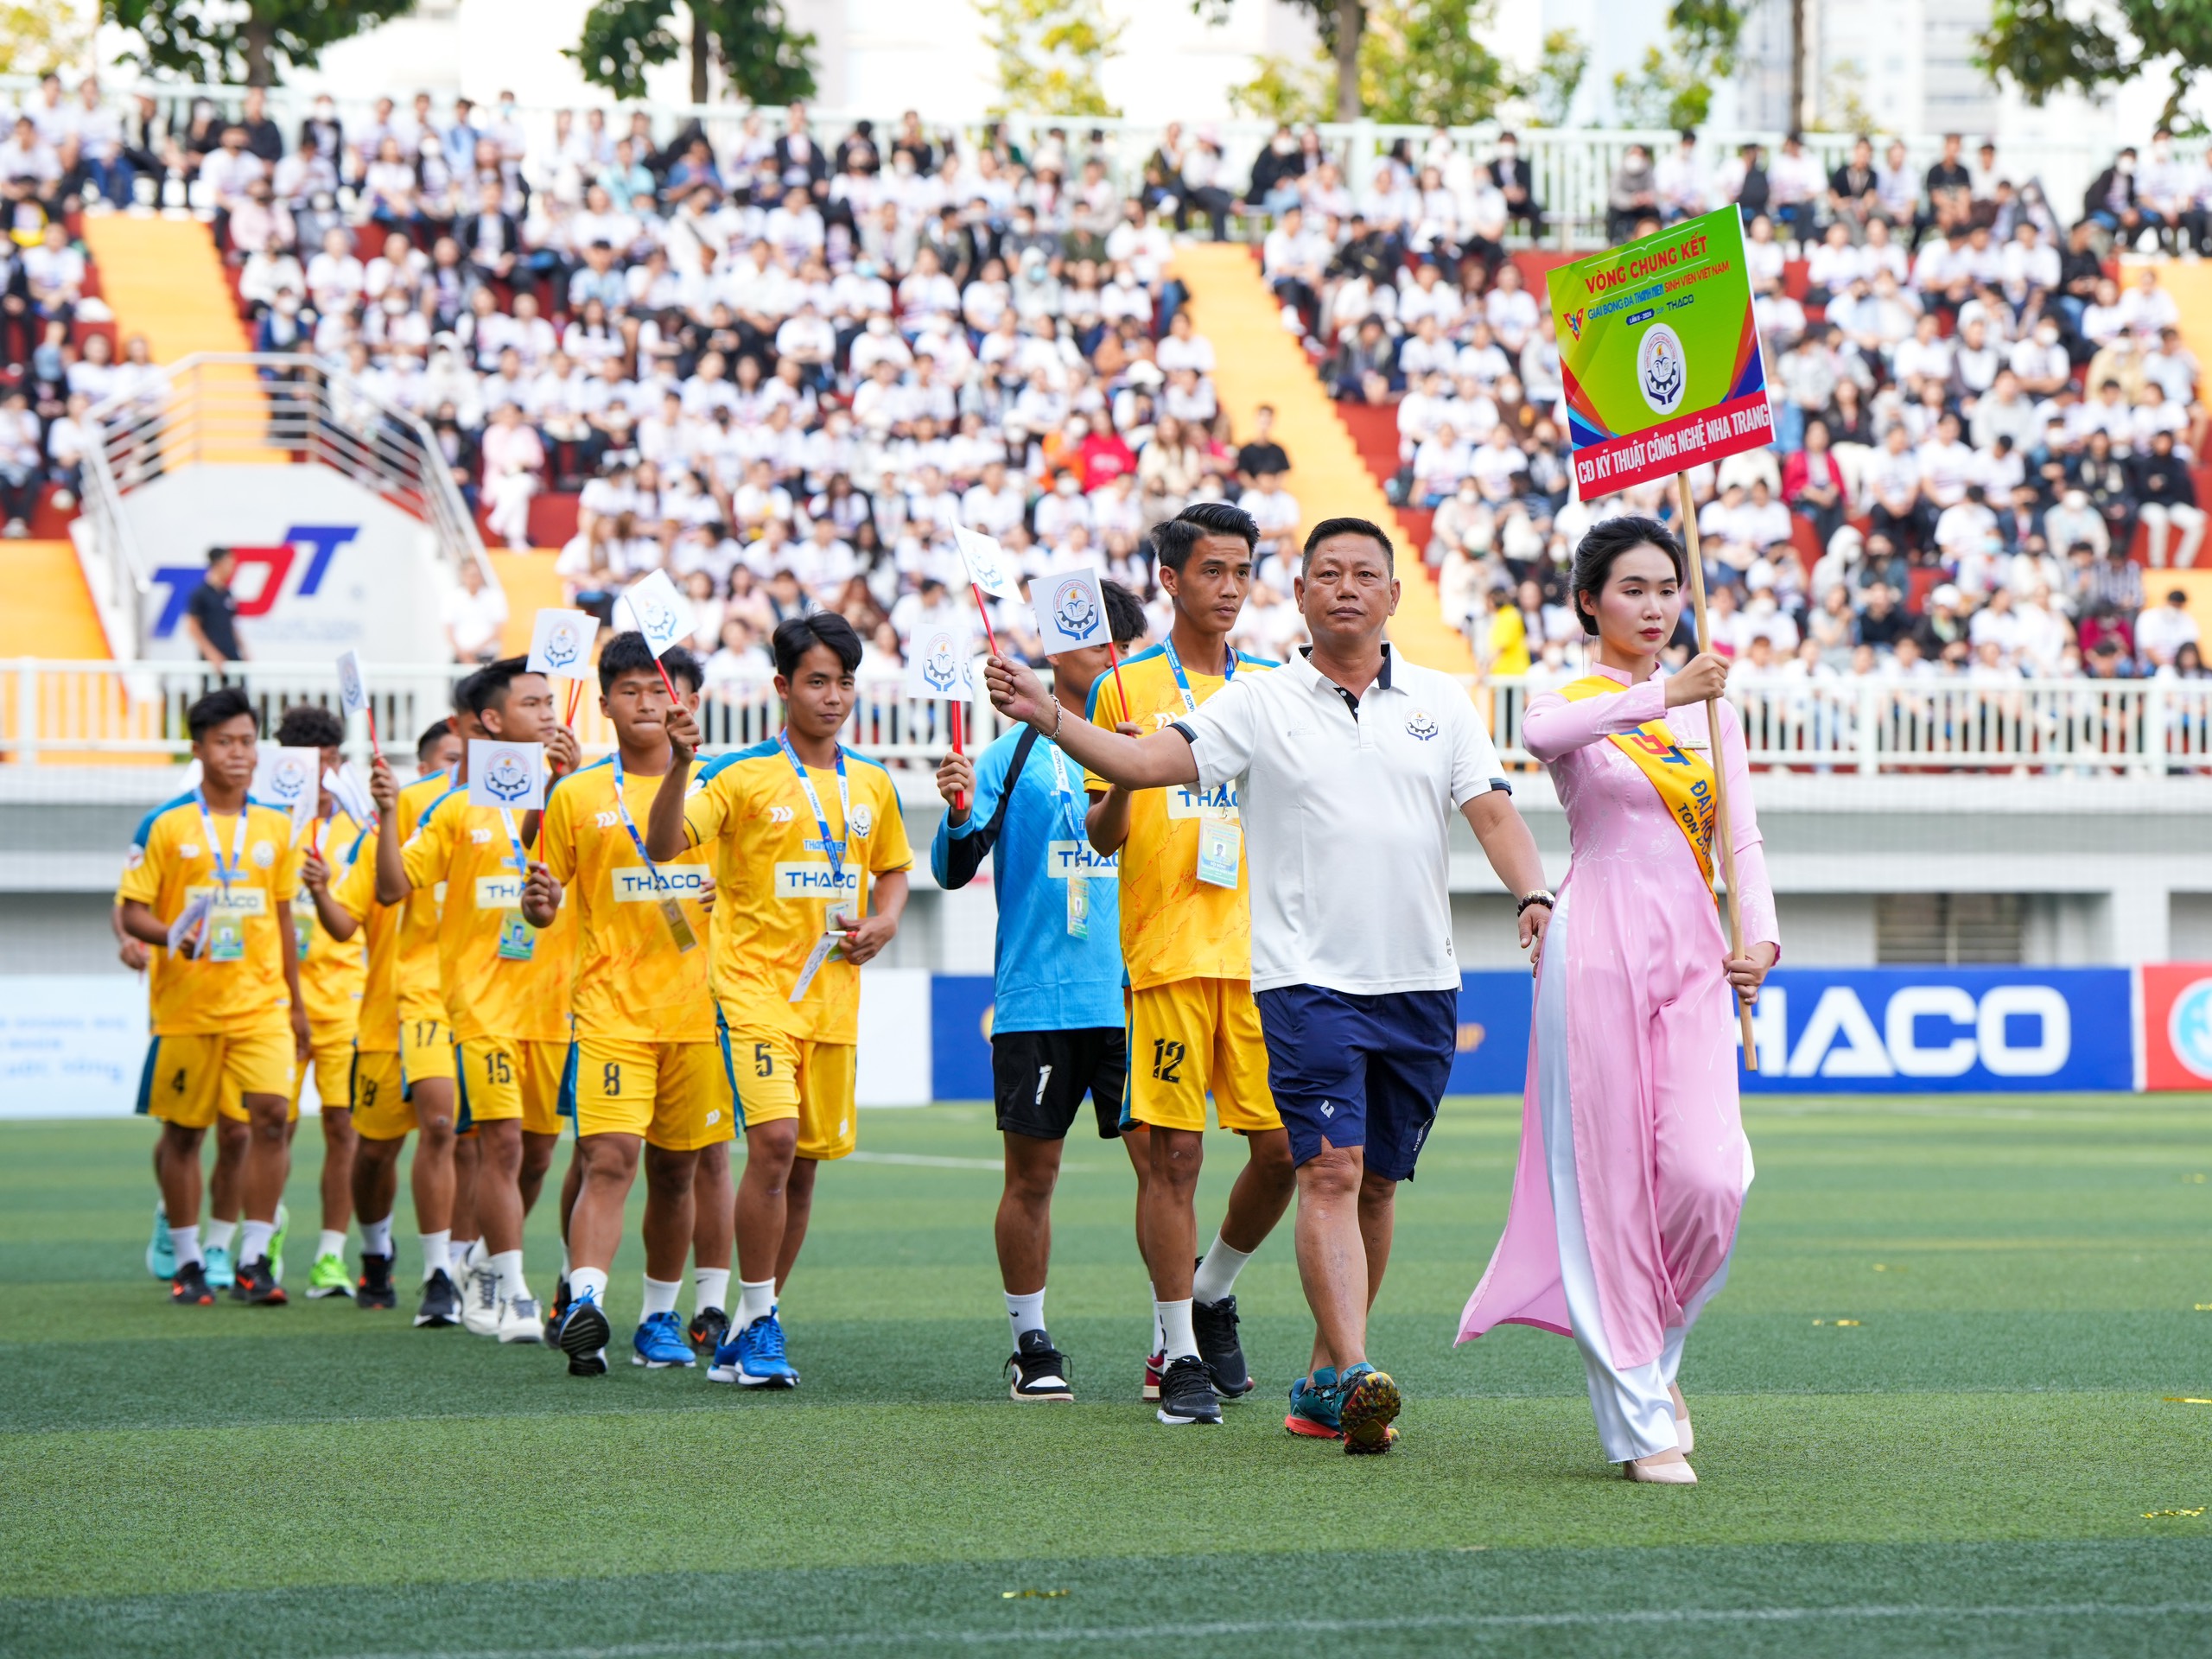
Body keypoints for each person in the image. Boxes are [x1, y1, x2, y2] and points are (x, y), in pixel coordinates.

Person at [985, 516, 1553, 1453]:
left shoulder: (1443, 703)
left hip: (1417, 982)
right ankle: (1283, 1360)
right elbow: (1137, 769)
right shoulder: (1258, 702)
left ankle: (1319, 1368)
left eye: (1363, 574)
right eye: (1321, 573)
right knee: (1301, 1166)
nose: (1343, 588)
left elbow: (1492, 814)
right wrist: (1048, 714)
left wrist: (1532, 890)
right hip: (1283, 977)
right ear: (1297, 597)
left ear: (1393, 596)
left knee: (1367, 1182)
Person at [1459, 517, 1779, 1484]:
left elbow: (1743, 840)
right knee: (1603, 1188)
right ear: (1589, 599)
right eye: (1632, 589)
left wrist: (1757, 933)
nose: (1654, 606)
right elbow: (1541, 733)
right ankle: (1640, 1420)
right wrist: (1658, 696)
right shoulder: (1582, 696)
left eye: (1668, 588)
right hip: (1593, 947)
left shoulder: (1712, 710)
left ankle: (1657, 1353)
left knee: (1707, 1177)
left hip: (1692, 955)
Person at [645, 613, 913, 1389]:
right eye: (818, 681)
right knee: (772, 1144)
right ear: (782, 688)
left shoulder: (872, 780)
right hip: (753, 992)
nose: (834, 697)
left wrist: (888, 920)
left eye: (845, 682)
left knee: (801, 1169)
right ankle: (760, 1323)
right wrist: (679, 764)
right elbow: (665, 844)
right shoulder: (735, 776)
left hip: (833, 998)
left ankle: (749, 1324)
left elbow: (892, 868)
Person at [1075, 503, 1294, 1428]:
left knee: (1287, 1151)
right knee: (1173, 1158)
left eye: (1242, 570)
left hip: (1267, 957)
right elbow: (1099, 832)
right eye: (1212, 570)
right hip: (1165, 955)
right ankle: (1178, 1352)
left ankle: (1211, 1288)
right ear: (1168, 578)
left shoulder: (1280, 684)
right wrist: (1127, 775)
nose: (1231, 588)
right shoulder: (1123, 691)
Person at [931, 579, 1148, 1402]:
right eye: (1101, 645)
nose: (1115, 661)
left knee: (1166, 1164)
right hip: (1039, 999)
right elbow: (954, 873)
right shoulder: (1007, 754)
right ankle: (1031, 1342)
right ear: (1061, 652)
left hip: (1135, 992)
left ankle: (1180, 1340)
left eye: (1126, 648)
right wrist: (954, 814)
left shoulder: (1148, 745)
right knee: (1033, 1179)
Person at [524, 632, 734, 1376]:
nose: (648, 703)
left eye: (663, 690)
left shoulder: (719, 787)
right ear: (605, 702)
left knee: (678, 1173)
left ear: (689, 703)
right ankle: (585, 1302)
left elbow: (754, 888)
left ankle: (656, 1318)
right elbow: (541, 904)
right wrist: (538, 900)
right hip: (610, 1011)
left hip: (699, 1015)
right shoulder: (576, 794)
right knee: (609, 1159)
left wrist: (726, 895)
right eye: (633, 691)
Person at [376, 658, 582, 1346]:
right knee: (498, 1144)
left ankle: (487, 1263)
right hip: (482, 1006)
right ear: (492, 721)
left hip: (556, 1004)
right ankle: (518, 1292)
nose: (549, 713)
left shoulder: (577, 796)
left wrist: (563, 786)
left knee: (538, 1156)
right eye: (532, 703)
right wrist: (383, 815)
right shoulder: (455, 809)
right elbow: (389, 886)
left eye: (552, 701)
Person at [117, 687, 308, 1306]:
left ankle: (254, 1258)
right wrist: (173, 937)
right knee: (184, 1135)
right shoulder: (166, 824)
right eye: (224, 742)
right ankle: (189, 1258)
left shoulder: (277, 827)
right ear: (198, 749)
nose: (238, 754)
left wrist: (297, 1004)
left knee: (268, 1122)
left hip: (262, 1007)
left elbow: (282, 920)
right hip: (187, 1008)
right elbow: (132, 910)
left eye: (248, 742)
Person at [312, 717, 464, 1316]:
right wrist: (323, 890)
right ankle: (376, 1250)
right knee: (373, 1152)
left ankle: (448, 1270)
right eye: (442, 762)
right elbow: (345, 921)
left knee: (448, 1132)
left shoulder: (493, 827)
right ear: (424, 770)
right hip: (383, 1018)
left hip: (453, 1011)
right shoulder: (382, 838)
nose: (451, 772)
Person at [274, 704, 364, 1300]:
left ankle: (332, 1254)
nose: (319, 774)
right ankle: (267, 1233)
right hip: (276, 1003)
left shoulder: (364, 828)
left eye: (329, 761)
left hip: (348, 1000)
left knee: (343, 1127)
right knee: (267, 1130)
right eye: (306, 763)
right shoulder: (262, 826)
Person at [183, 548, 245, 669]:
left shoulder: (227, 593)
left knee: (238, 687)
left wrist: (244, 651)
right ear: (218, 564)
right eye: (229, 563)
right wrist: (211, 654)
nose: (232, 567)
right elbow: (193, 627)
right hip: (212, 661)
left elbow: (231, 625)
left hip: (232, 655)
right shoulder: (200, 594)